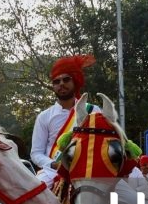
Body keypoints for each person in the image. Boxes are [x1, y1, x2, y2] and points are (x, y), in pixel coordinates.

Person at [30, 54, 98, 187]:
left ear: (75, 81)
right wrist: (52, 164)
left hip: (89, 170)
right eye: (56, 81)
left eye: (66, 79)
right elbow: (36, 153)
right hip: (53, 171)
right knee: (29, 198)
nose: (61, 84)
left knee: (132, 201)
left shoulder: (93, 111)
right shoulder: (44, 116)